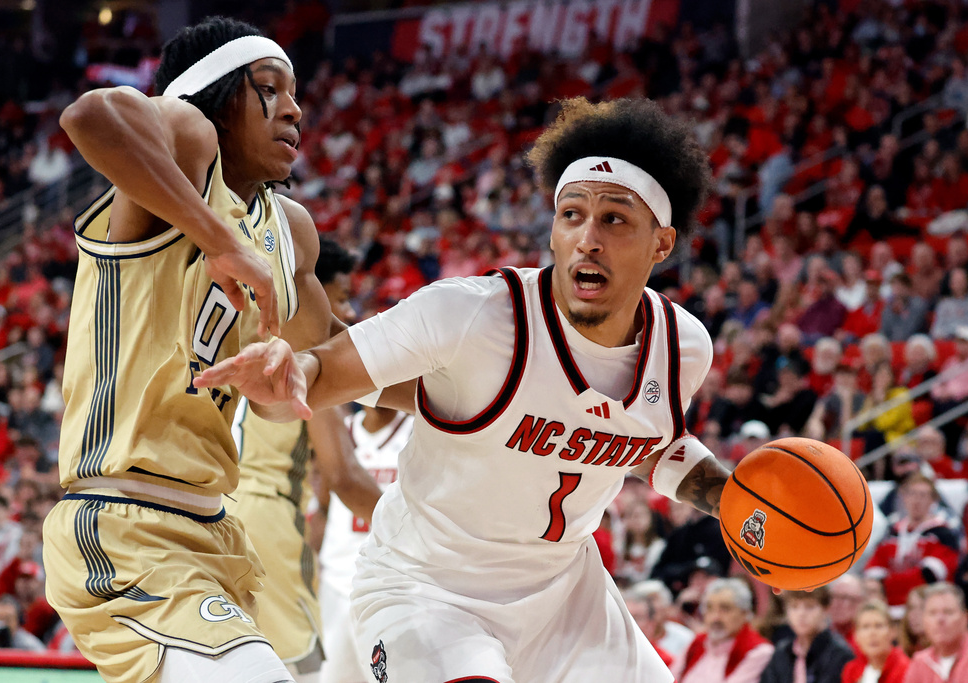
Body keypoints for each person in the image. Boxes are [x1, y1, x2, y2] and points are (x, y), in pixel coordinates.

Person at [197, 96, 724, 682]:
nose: (587, 238)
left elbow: (643, 442)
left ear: (662, 243)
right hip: (428, 589)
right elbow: (323, 372)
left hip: (569, 598)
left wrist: (732, 498)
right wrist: (288, 375)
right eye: (571, 215)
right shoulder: (471, 315)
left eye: (615, 219)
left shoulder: (684, 348)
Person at [41, 16, 327, 683]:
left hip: (217, 531)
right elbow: (90, 114)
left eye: (297, 91)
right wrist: (218, 239)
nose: (296, 107)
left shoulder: (290, 232)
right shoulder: (187, 146)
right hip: (122, 519)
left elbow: (341, 355)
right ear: (218, 96)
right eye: (270, 88)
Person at [229, 237, 382, 680]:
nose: (349, 314)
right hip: (269, 516)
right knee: (304, 667)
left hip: (221, 512)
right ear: (312, 296)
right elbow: (344, 475)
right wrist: (419, 532)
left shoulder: (255, 332)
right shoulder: (308, 360)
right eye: (341, 299)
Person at [316, 402, 413, 683]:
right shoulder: (339, 432)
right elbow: (322, 508)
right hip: (337, 586)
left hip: (392, 585)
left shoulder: (414, 431)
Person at [865, 474, 962, 610]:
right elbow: (872, 570)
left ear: (933, 500)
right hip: (888, 607)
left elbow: (930, 577)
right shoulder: (891, 532)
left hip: (927, 607)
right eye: (912, 494)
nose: (917, 500)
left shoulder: (943, 534)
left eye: (923, 495)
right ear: (903, 497)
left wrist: (887, 584)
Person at [676, 578, 774, 683]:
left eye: (725, 609)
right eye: (709, 608)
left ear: (745, 613)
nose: (715, 617)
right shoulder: (697, 642)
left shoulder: (759, 651)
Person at [758, 588, 854, 683]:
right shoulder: (782, 652)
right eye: (794, 607)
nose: (801, 614)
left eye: (809, 606)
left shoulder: (840, 654)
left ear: (826, 609)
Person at [902, 583, 968, 682]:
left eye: (948, 612)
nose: (940, 619)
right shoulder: (920, 662)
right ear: (924, 620)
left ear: (965, 618)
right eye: (932, 613)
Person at [841, 600, 910, 683]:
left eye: (878, 626)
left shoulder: (905, 668)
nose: (872, 633)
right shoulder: (851, 670)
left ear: (893, 631)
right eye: (865, 627)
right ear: (856, 635)